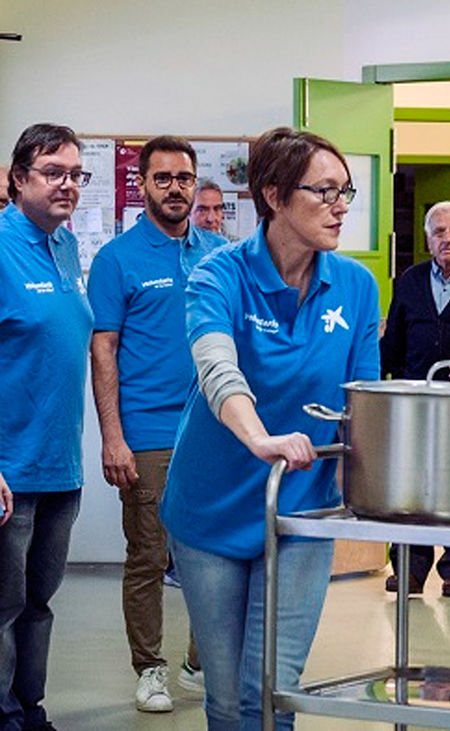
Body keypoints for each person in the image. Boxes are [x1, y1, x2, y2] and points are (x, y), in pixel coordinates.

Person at [159, 127, 379, 730]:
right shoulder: (217, 274)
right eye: (325, 191)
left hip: (302, 510)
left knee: (272, 695)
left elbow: (362, 403)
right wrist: (258, 437)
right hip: (211, 507)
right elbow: (215, 365)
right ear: (275, 195)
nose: (340, 206)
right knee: (227, 700)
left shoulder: (357, 287)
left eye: (346, 192)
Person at [87, 136, 225, 712]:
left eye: (185, 178)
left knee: (213, 552)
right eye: (163, 178)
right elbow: (104, 350)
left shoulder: (218, 252)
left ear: (196, 184)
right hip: (147, 433)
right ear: (142, 184)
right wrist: (113, 437)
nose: (176, 188)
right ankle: (150, 669)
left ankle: (202, 660)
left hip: (213, 432)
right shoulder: (118, 258)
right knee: (149, 557)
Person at [0, 123, 94, 731]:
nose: (68, 185)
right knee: (2, 607)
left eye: (75, 174)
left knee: (38, 605)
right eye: (53, 173)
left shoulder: (65, 247)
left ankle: (29, 709)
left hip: (61, 464)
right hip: (11, 470)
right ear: (17, 180)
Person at [380, 201, 450, 598]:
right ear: (428, 240)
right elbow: (392, 344)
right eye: (439, 232)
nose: (447, 238)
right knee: (411, 486)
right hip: (415, 400)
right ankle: (409, 566)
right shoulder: (409, 281)